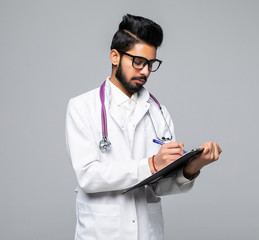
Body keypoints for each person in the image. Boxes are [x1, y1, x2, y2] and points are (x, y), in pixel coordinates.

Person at [65, 14, 222, 240]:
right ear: (115, 56)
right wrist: (151, 163)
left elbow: (159, 186)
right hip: (101, 232)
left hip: (147, 233)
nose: (146, 71)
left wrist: (192, 167)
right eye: (138, 62)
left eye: (150, 63)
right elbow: (88, 176)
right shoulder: (82, 107)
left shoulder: (159, 112)